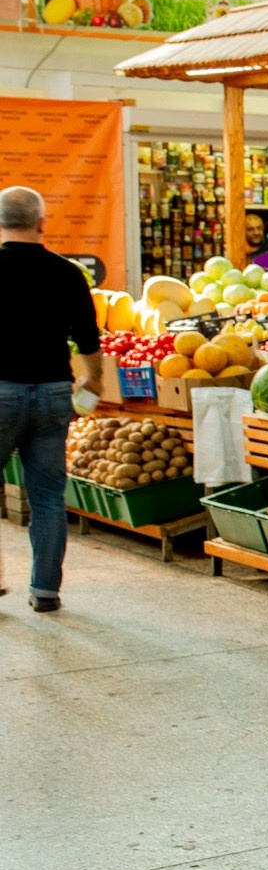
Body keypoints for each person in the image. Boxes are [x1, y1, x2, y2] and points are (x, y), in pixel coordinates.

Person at [0, 186, 104, 613]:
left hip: (1, 394)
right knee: (46, 494)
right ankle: (45, 590)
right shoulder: (66, 273)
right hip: (54, 394)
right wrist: (93, 380)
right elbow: (87, 338)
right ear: (42, 223)